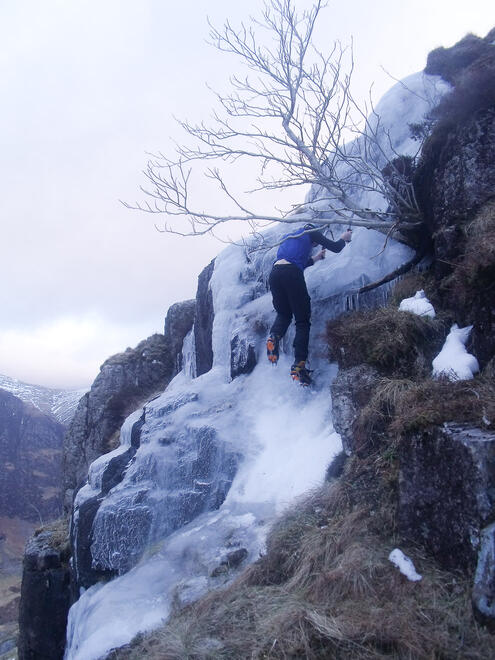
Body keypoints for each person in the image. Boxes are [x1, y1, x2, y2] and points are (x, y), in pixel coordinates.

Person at [266, 223, 353, 384]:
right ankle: (299, 365)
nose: (313, 245)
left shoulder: (289, 238)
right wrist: (344, 238)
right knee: (302, 321)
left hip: (275, 274)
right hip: (292, 274)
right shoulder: (312, 232)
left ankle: (274, 337)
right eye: (314, 244)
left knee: (284, 314)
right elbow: (335, 248)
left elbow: (296, 262)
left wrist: (316, 258)